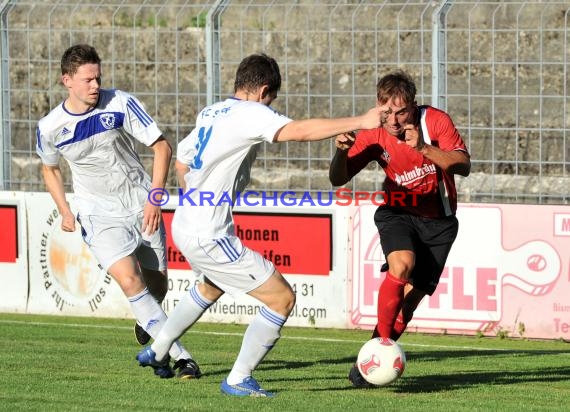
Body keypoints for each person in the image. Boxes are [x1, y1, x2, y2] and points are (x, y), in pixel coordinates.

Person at [135, 53, 384, 397]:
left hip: (185, 223)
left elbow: (182, 161)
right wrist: (362, 120)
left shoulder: (213, 111)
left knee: (211, 286)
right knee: (281, 298)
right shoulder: (251, 113)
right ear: (264, 90)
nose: (271, 108)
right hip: (209, 233)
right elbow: (296, 131)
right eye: (272, 100)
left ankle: (158, 351)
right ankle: (238, 378)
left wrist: (202, 196)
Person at [36, 44, 200, 379]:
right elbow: (49, 168)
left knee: (157, 287)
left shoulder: (120, 102)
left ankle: (148, 321)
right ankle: (182, 358)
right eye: (87, 80)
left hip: (141, 205)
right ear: (67, 80)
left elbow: (161, 146)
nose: (96, 85)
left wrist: (154, 197)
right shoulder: (50, 126)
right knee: (129, 280)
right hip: (98, 214)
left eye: (98, 77)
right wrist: (65, 209)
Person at [328, 70, 470, 388]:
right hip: (398, 213)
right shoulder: (373, 132)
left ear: (414, 107)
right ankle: (379, 349)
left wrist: (424, 149)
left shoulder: (435, 122)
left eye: (400, 111)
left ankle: (373, 356)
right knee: (401, 264)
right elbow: (337, 179)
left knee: (410, 301)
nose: (393, 119)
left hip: (440, 222)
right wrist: (339, 151)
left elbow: (464, 165)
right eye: (386, 111)